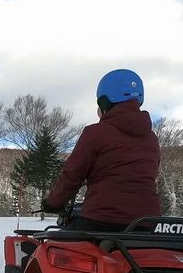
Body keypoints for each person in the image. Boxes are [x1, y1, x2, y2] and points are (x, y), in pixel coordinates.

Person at [42, 69, 161, 231]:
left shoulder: (95, 133)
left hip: (101, 220)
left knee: (50, 248)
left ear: (104, 101)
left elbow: (72, 175)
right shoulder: (152, 139)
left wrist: (52, 203)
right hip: (147, 224)